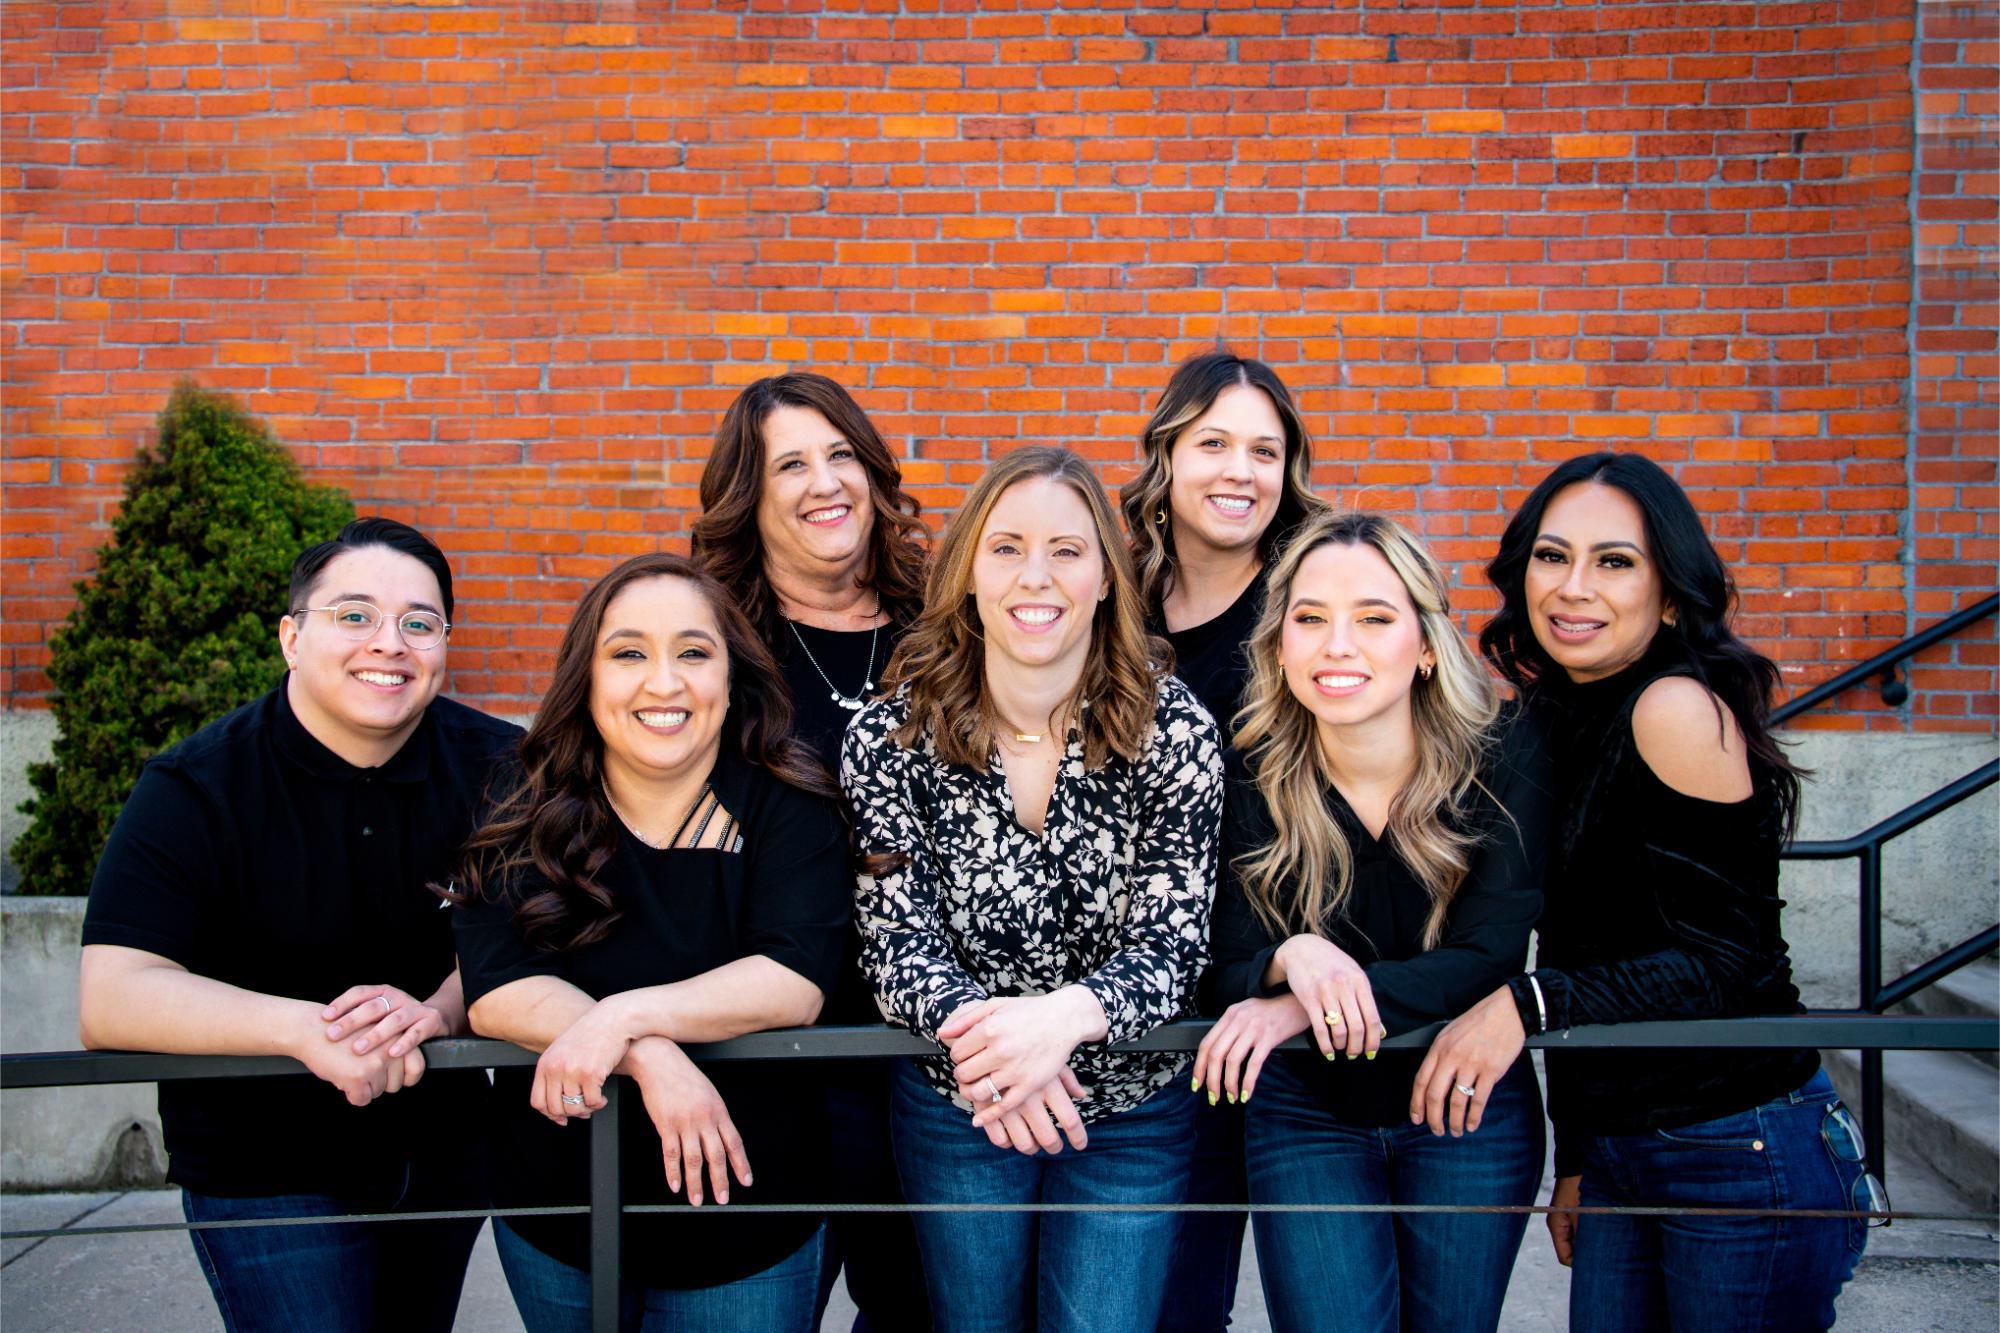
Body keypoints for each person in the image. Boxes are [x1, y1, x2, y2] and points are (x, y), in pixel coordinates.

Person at [1421, 452, 1874, 1331]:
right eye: (1552, 557)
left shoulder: (1671, 706)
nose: (1573, 587)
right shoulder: (1555, 716)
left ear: (1669, 593)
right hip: (1630, 1150)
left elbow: (1725, 961)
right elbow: (1585, 942)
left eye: (1614, 561)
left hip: (1739, 1145)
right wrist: (1582, 1151)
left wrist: (1525, 1003)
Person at [79, 517, 518, 1333]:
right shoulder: (194, 785)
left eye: (418, 623)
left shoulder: (504, 766)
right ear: (290, 636)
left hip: (442, 1150)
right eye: (354, 615)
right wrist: (304, 1030)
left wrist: (443, 1010)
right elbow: (112, 994)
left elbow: (531, 929)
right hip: (263, 1165)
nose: (389, 643)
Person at [841, 445, 1225, 1333]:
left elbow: (1174, 942)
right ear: (969, 572)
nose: (1035, 575)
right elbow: (896, 942)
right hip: (959, 1100)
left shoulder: (1174, 732)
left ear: (1105, 580)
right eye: (1007, 546)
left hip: (1128, 1106)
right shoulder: (889, 732)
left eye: (1067, 548)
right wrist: (1004, 1064)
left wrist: (1058, 1023)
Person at [450, 553, 853, 1333]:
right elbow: (496, 983)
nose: (663, 682)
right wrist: (645, 1049)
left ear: (731, 675)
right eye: (629, 652)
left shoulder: (788, 799)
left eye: (693, 652)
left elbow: (792, 978)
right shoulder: (523, 791)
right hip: (557, 1211)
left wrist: (617, 1016)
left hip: (746, 1217)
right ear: (587, 677)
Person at [1192, 509, 1550, 1333]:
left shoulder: (1502, 755)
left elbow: (1489, 953)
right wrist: (1294, 954)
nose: (1336, 645)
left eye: (1374, 618)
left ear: (1425, 645)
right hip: (1308, 1110)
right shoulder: (1249, 768)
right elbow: (1223, 955)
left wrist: (1291, 1005)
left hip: (1464, 1100)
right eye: (1309, 618)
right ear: (1279, 643)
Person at [690, 371, 933, 1331]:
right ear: (749, 495)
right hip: (766, 1052)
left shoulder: (948, 629)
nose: (824, 482)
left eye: (841, 455)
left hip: (925, 1052)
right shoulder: (712, 647)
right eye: (789, 463)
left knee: (921, 1312)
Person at [1120, 348, 1325, 1330]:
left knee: (1192, 1296)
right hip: (1127, 1006)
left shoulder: (1312, 607)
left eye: (1264, 449)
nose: (1239, 471)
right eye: (1212, 443)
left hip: (1262, 1006)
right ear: (1164, 453)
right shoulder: (1107, 601)